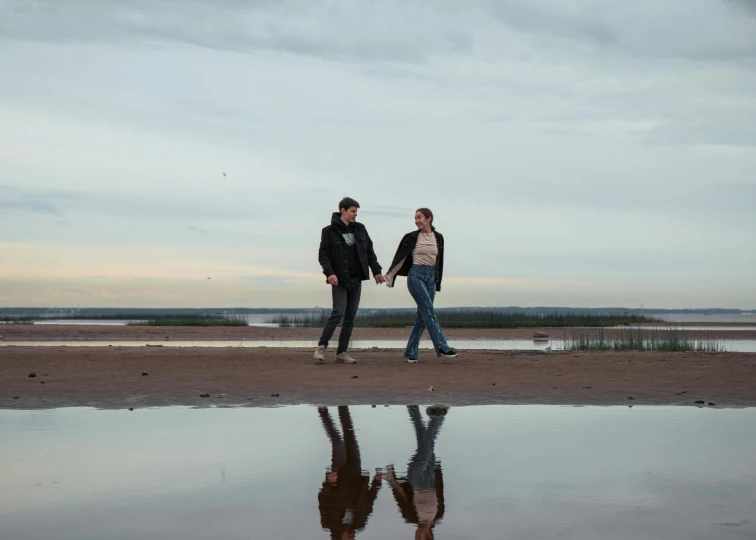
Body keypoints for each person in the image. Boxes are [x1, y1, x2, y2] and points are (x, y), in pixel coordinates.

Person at [315, 197, 385, 364]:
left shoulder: (360, 229)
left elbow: (369, 252)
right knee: (338, 312)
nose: (355, 214)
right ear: (343, 211)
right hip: (338, 279)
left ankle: (342, 352)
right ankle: (321, 346)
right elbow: (323, 255)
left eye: (356, 211)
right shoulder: (329, 231)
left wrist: (376, 272)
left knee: (350, 317)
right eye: (353, 211)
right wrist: (329, 273)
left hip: (356, 279)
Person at [384, 208, 457, 362]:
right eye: (415, 218)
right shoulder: (411, 237)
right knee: (429, 311)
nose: (417, 221)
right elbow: (401, 257)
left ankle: (411, 352)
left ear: (429, 218)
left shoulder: (439, 238)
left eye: (419, 218)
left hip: (431, 277)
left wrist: (437, 282)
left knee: (422, 317)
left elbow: (439, 261)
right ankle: (443, 347)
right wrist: (390, 275)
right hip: (415, 276)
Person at [318, 406, 383, 540]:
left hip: (339, 475)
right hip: (355, 474)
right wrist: (376, 483)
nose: (351, 537)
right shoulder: (359, 523)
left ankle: (323, 412)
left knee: (338, 443)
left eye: (348, 539)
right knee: (350, 435)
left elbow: (323, 499)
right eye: (353, 539)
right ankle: (343, 406)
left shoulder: (329, 523)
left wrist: (329, 482)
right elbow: (369, 501)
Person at [385, 405, 448, 540]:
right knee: (423, 439)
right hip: (430, 479)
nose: (417, 535)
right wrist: (438, 471)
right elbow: (440, 492)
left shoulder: (410, 516)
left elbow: (401, 496)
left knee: (427, 447)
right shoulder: (438, 515)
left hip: (416, 480)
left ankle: (439, 416)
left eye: (416, 538)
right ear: (429, 536)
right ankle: (413, 406)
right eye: (421, 537)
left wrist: (391, 479)